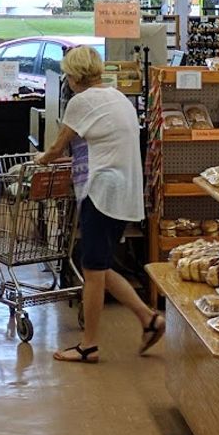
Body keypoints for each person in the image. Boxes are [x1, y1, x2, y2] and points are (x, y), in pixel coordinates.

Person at [34, 46, 161, 363]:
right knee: (100, 266)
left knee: (91, 271)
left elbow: (57, 146)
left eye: (67, 74)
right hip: (125, 191)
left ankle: (88, 345)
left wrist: (39, 161)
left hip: (100, 191)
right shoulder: (117, 96)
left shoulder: (81, 101)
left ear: (75, 76)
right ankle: (149, 319)